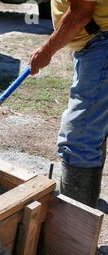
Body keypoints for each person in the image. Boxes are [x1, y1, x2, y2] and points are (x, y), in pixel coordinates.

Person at [30, 0, 108, 207]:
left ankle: (75, 229)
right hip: (95, 46)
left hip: (102, 45)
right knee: (91, 131)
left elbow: (81, 12)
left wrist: (46, 51)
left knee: (80, 138)